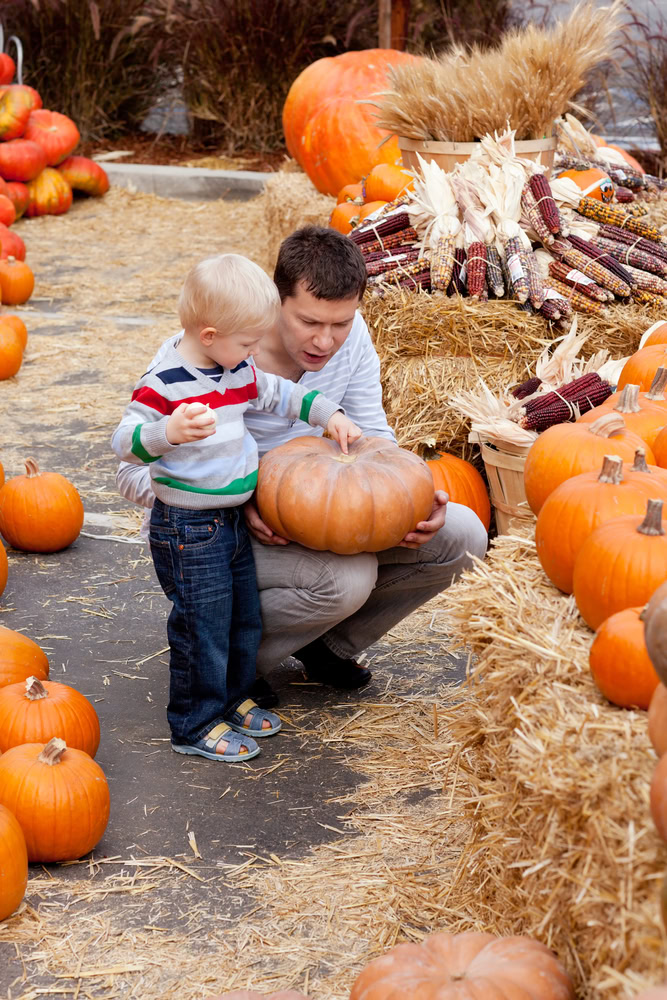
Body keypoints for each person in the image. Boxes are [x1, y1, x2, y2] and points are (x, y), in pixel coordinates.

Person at [116, 227, 488, 709]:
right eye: (310, 322)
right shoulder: (205, 358)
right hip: (212, 528)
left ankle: (323, 644)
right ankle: (226, 672)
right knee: (344, 582)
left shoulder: (350, 341)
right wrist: (243, 495)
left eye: (342, 323)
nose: (326, 340)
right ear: (275, 303)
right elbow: (129, 474)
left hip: (322, 505)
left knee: (464, 534)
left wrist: (410, 498)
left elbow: (374, 434)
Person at [111, 253, 362, 762]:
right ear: (209, 336)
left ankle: (234, 696)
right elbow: (124, 443)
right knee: (202, 623)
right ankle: (195, 723)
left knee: (242, 617)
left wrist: (329, 415)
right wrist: (166, 433)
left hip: (227, 521)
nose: (255, 353)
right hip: (187, 527)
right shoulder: (164, 383)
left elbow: (279, 393)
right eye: (248, 342)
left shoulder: (236, 369)